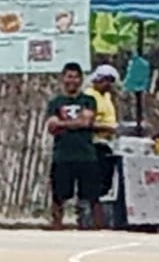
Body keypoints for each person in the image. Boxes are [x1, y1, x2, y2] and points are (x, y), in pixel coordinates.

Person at [47, 62, 104, 231]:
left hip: (86, 154)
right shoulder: (56, 102)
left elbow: (86, 121)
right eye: (69, 76)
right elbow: (51, 126)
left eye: (76, 77)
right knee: (58, 195)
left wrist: (63, 124)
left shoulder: (88, 100)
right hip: (62, 154)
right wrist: (75, 123)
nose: (72, 80)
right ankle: (57, 227)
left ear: (81, 80)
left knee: (93, 196)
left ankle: (98, 228)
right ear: (63, 78)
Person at [87, 62, 121, 203]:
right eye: (105, 80)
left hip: (107, 143)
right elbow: (87, 124)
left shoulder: (106, 96)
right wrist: (108, 128)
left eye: (110, 81)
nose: (108, 84)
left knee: (107, 180)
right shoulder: (90, 97)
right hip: (94, 143)